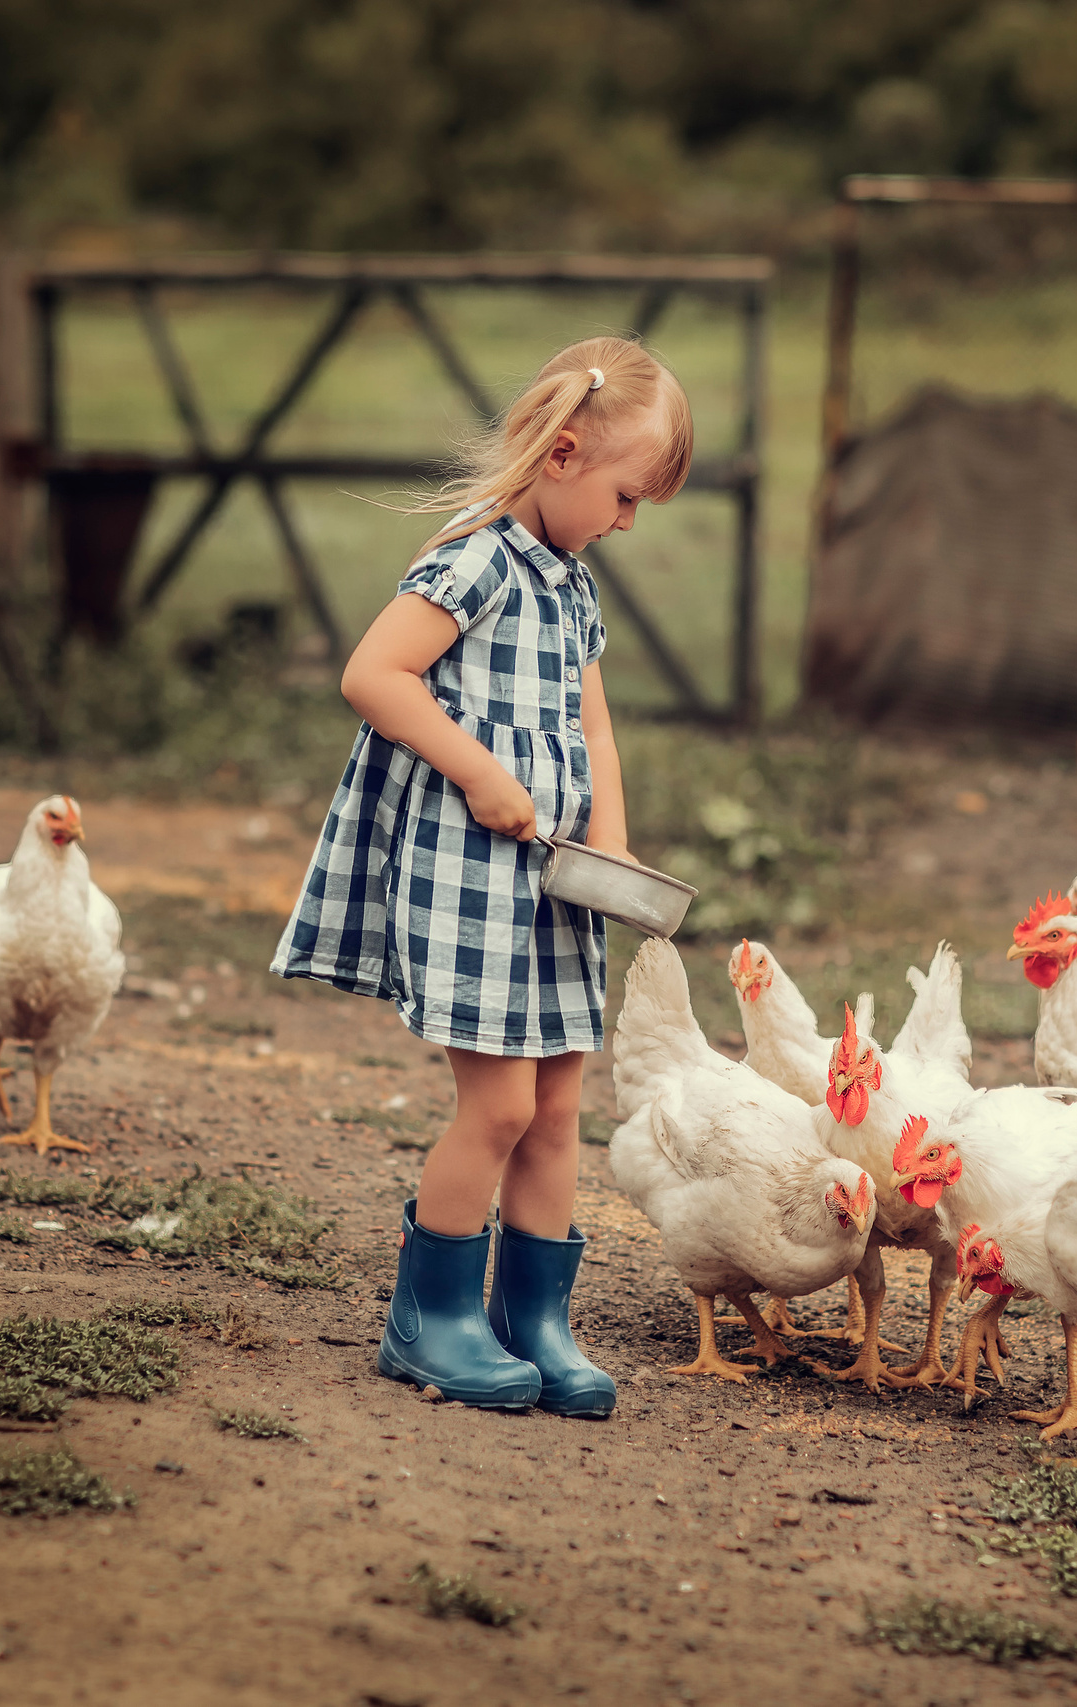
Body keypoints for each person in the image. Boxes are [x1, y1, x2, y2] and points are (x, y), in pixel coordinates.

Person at [271, 336, 693, 1417]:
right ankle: (432, 1320)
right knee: (498, 1106)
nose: (628, 521)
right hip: (470, 872)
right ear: (561, 455)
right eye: (625, 495)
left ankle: (531, 1321)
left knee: (558, 1105)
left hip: (551, 882)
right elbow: (376, 674)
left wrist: (614, 837)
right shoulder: (477, 561)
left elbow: (594, 727)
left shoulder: (573, 587)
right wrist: (477, 770)